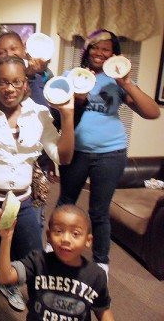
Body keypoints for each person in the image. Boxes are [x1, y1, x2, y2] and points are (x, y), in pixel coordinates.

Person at [0, 56, 74, 320]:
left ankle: (40, 311)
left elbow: (63, 157)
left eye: (16, 82)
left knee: (34, 258)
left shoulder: (40, 114)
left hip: (20, 203)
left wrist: (67, 115)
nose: (10, 88)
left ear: (25, 85)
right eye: (3, 82)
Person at [54, 29, 160, 276]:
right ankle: (53, 248)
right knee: (66, 201)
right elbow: (58, 111)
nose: (99, 53)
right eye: (95, 47)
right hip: (76, 151)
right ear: (87, 50)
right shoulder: (72, 76)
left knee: (99, 212)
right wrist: (77, 98)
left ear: (114, 54)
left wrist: (126, 83)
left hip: (111, 153)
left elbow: (152, 112)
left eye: (106, 49)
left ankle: (101, 264)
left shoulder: (117, 81)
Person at [0, 204, 115, 321]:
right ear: (49, 236)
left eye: (75, 234)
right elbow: (5, 276)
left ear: (88, 241)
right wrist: (7, 238)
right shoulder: (37, 261)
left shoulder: (96, 275)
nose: (66, 239)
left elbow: (103, 310)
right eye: (58, 231)